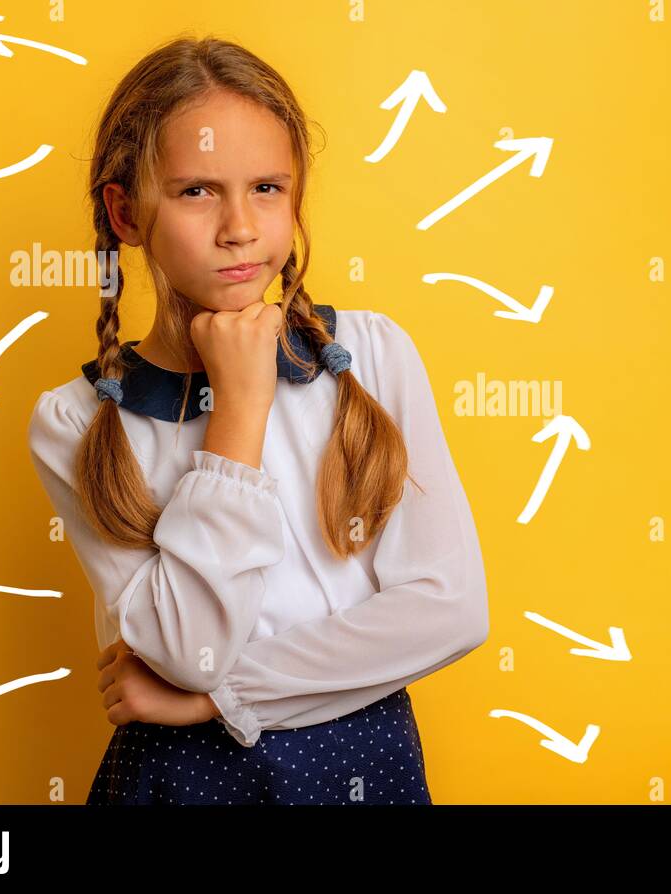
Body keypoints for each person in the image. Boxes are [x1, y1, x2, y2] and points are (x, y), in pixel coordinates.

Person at [26, 35, 490, 805]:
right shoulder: (75, 423)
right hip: (180, 780)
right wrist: (237, 411)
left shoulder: (369, 356)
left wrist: (218, 697)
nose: (239, 226)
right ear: (126, 211)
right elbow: (185, 652)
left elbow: (449, 610)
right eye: (196, 191)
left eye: (268, 188)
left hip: (366, 766)